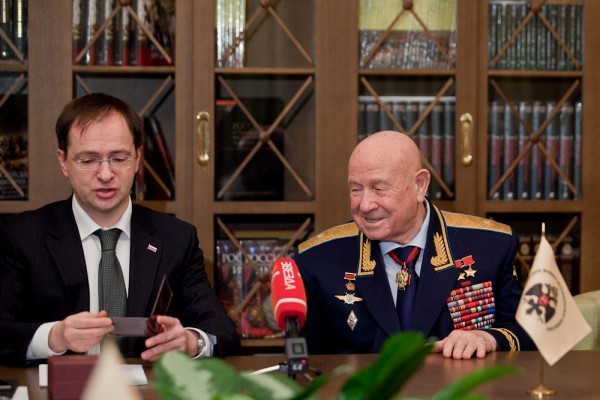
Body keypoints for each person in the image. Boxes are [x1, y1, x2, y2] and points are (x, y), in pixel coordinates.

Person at [0, 93, 240, 365]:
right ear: (63, 161)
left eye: (118, 158)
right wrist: (53, 337)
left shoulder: (176, 239)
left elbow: (222, 333)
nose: (105, 174)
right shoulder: (21, 236)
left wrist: (190, 341)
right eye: (88, 160)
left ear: (137, 159)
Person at [294, 131, 535, 359]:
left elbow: (531, 332)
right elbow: (308, 362)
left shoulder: (490, 246)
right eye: (356, 189)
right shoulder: (318, 260)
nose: (365, 205)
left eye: (379, 188)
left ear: (420, 185)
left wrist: (488, 338)